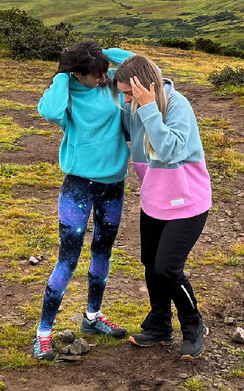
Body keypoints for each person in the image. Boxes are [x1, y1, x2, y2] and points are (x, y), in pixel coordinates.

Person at [33, 40, 134, 361]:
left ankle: (92, 317)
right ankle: (44, 333)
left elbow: (149, 71)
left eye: (105, 72)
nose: (103, 78)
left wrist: (105, 56)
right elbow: (47, 111)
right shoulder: (65, 95)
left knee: (103, 251)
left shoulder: (108, 83)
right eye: (95, 74)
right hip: (79, 186)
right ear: (77, 75)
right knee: (68, 259)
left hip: (113, 185)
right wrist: (62, 75)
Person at [115, 54, 212, 359]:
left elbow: (169, 150)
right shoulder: (132, 105)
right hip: (154, 200)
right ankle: (159, 324)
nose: (125, 100)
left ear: (146, 87)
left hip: (188, 203)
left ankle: (193, 324)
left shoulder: (177, 106)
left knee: (167, 268)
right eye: (123, 94)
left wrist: (148, 111)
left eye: (129, 93)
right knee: (150, 264)